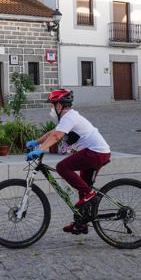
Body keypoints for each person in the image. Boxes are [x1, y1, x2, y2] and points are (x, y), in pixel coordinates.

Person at [26, 88, 111, 235]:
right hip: (96, 153)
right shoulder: (68, 118)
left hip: (95, 153)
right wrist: (36, 142)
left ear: (59, 106)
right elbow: (53, 132)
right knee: (82, 189)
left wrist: (40, 150)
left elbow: (56, 137)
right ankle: (81, 223)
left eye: (52, 105)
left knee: (62, 167)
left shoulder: (69, 117)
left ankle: (90, 194)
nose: (51, 108)